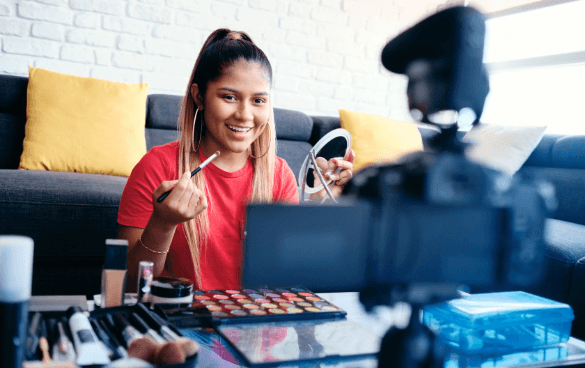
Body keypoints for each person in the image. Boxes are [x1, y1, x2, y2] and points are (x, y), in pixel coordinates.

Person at [117, 28, 355, 292]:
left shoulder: (280, 175)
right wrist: (163, 224)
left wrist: (321, 210)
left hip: (258, 327)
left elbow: (293, 278)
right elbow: (129, 285)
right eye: (229, 97)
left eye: (258, 100)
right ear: (199, 97)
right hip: (183, 327)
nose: (245, 115)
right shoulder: (157, 166)